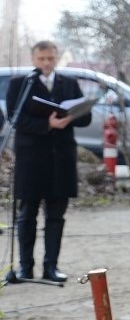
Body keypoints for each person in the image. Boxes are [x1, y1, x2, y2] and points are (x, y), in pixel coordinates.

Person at [4, 41, 92, 284]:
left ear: (56, 58)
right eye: (41, 58)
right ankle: (25, 267)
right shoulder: (20, 84)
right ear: (34, 59)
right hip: (31, 159)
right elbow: (15, 118)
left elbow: (86, 117)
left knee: (56, 215)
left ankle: (51, 266)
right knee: (27, 214)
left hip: (61, 158)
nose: (46, 63)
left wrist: (70, 117)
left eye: (50, 58)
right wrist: (47, 124)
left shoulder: (69, 83)